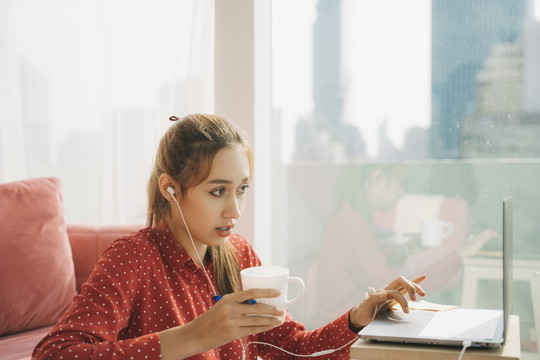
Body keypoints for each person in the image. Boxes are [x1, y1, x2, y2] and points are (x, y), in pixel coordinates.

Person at [33, 114, 426, 360]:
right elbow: (54, 355)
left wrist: (359, 318)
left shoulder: (238, 254)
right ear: (171, 188)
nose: (235, 211)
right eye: (217, 191)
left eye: (241, 189)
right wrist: (193, 337)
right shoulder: (132, 258)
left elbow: (291, 349)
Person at [308, 165, 466, 328]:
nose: (401, 192)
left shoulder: (349, 216)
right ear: (378, 179)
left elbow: (365, 257)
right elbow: (396, 290)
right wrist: (458, 257)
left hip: (343, 327)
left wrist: (405, 249)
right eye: (398, 183)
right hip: (340, 336)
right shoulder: (351, 224)